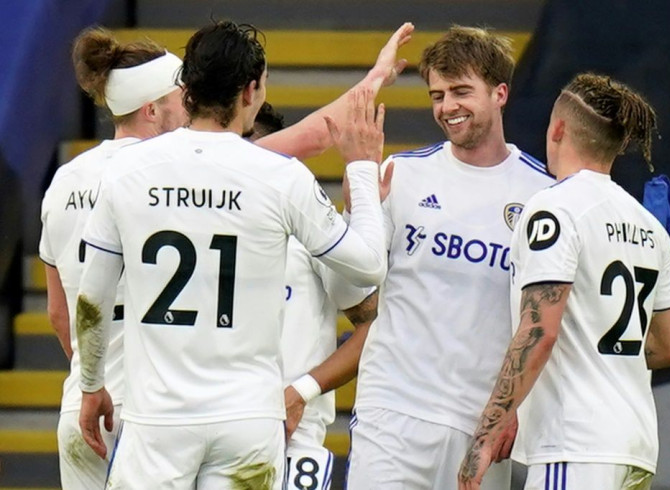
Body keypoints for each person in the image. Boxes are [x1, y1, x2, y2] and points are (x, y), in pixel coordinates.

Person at [41, 21, 410, 488]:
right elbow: (368, 264)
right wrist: (360, 167)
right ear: (251, 90)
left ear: (188, 90)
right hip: (248, 419)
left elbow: (89, 298)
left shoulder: (126, 172)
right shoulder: (279, 176)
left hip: (159, 419)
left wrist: (91, 384)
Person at [458, 73, 670, 490]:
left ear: (558, 128)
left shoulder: (553, 208)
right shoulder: (648, 225)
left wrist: (485, 436)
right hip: (635, 445)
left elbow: (538, 331)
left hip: (575, 443)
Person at [346, 26, 554, 489]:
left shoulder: (544, 195)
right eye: (437, 95)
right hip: (392, 414)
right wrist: (357, 211)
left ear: (500, 93)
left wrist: (517, 406)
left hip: (481, 426)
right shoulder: (400, 174)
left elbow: (545, 318)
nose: (447, 107)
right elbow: (355, 298)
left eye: (462, 91)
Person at [39, 27, 188, 489]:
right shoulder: (172, 174)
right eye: (182, 97)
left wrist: (92, 374)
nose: (190, 107)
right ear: (151, 109)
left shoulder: (65, 179)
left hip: (83, 405)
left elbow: (59, 314)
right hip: (155, 414)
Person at [250, 104, 380, 490]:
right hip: (208, 426)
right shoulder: (193, 223)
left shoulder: (309, 224)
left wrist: (302, 391)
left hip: (292, 440)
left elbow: (374, 325)